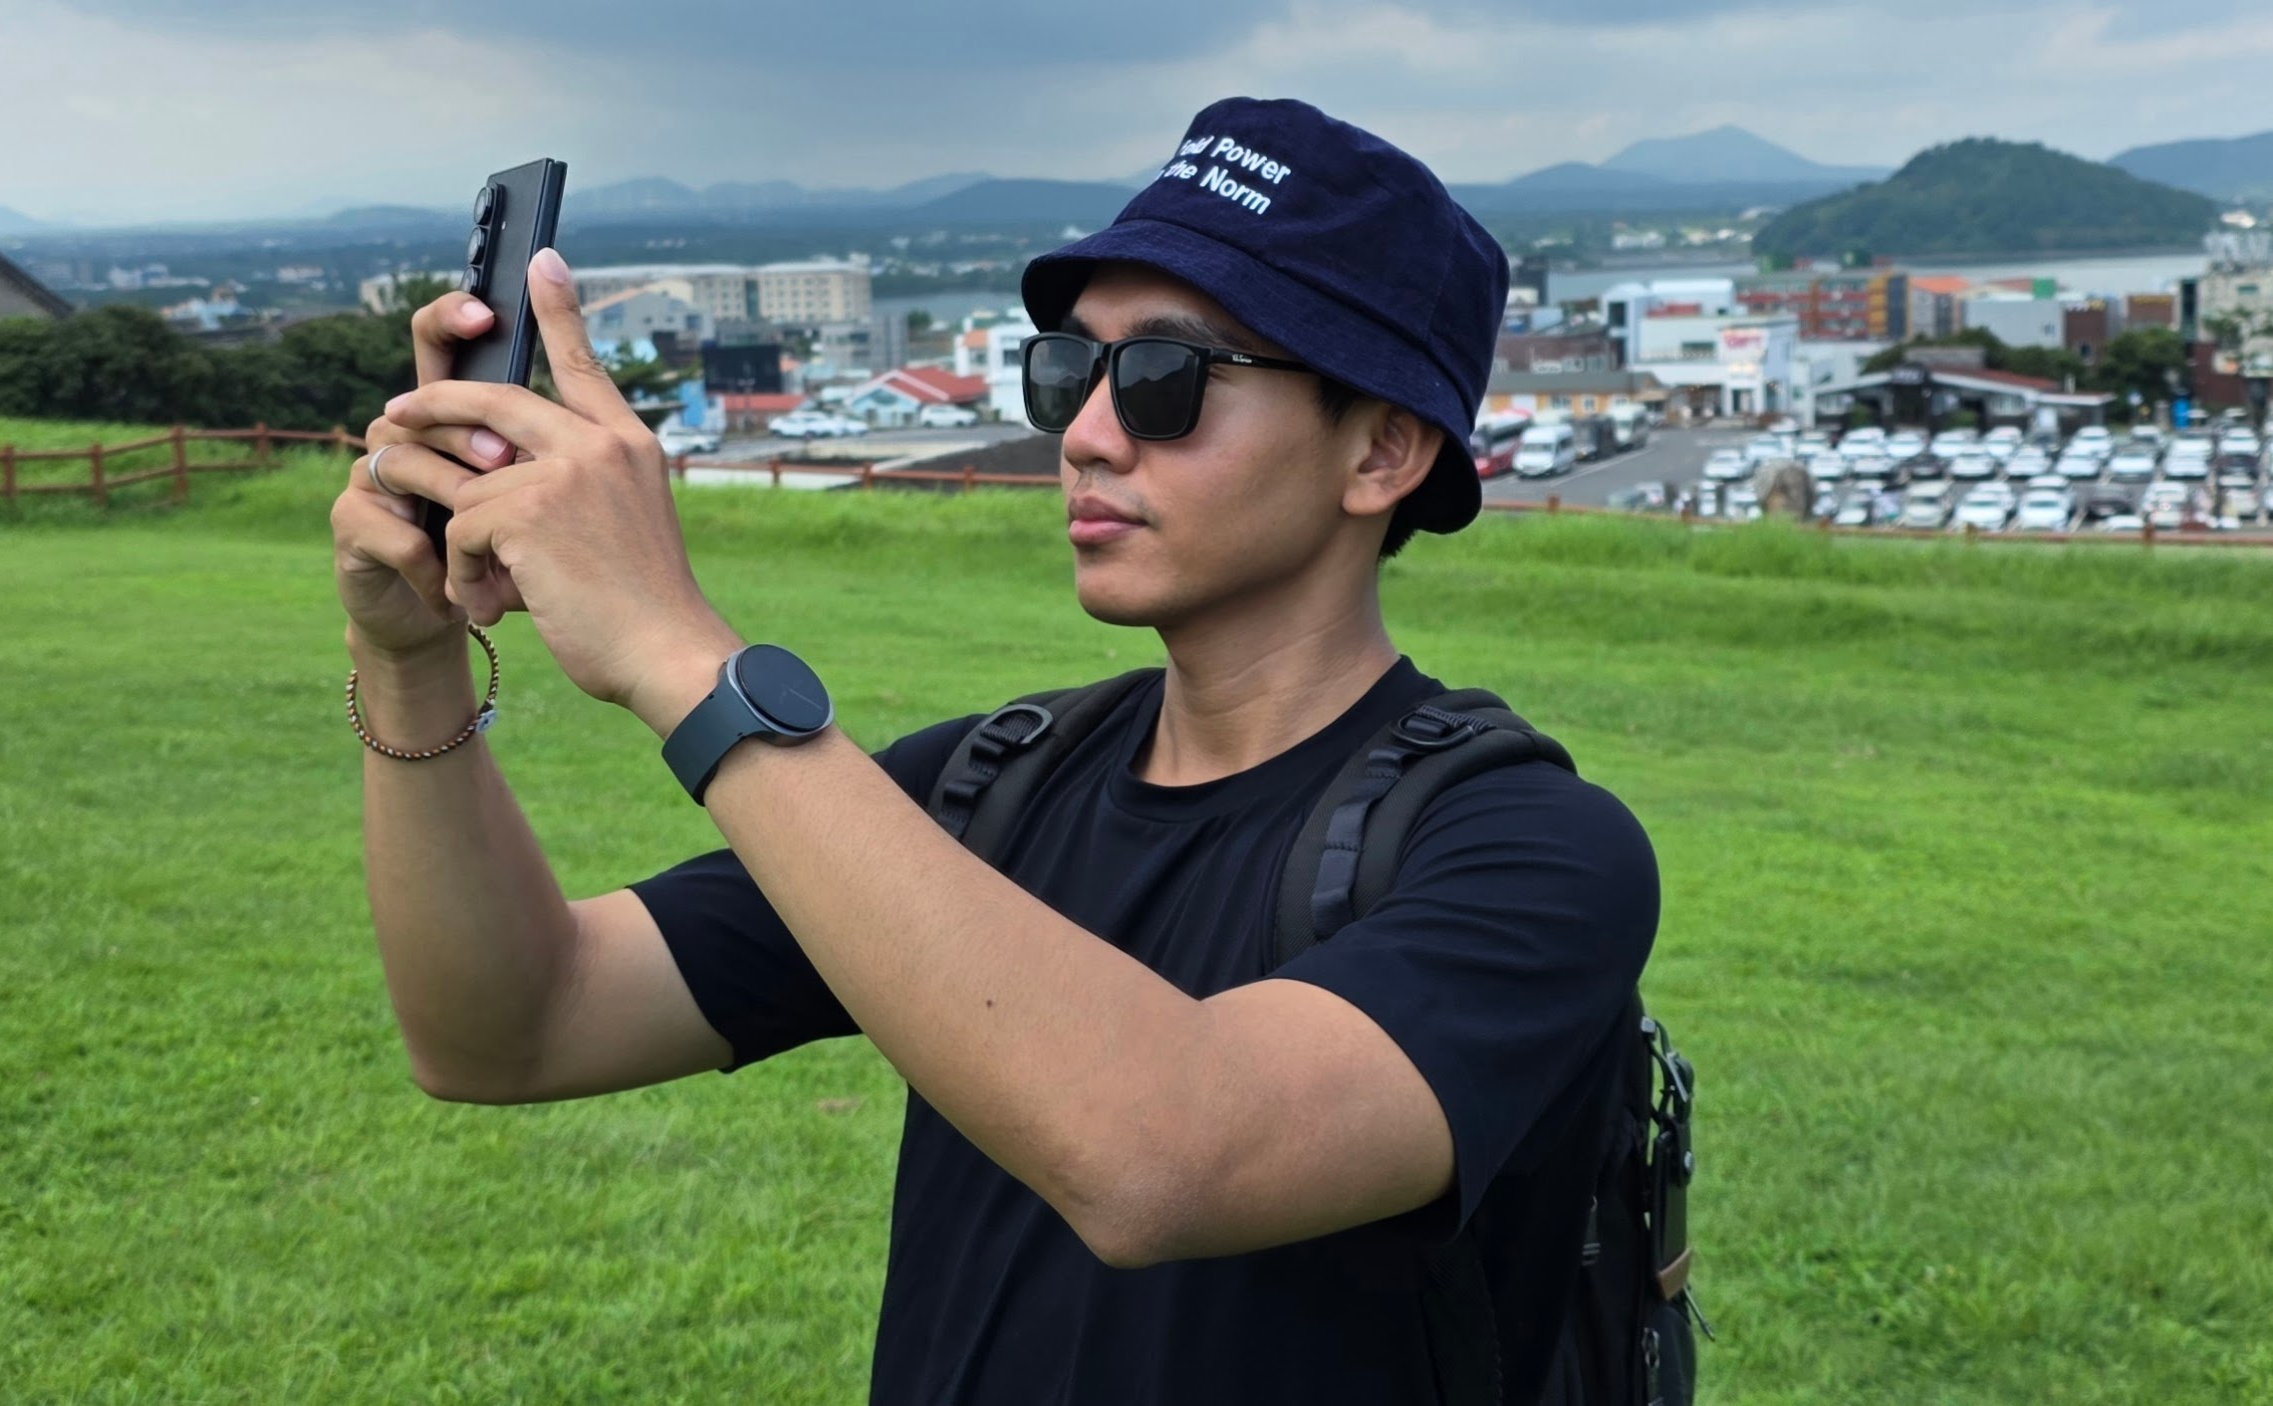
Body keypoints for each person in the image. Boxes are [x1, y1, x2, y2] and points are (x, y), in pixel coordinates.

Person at [330, 97, 1658, 1405]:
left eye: (1166, 378)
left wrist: (680, 654)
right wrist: (408, 659)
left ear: (1381, 452)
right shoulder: (992, 785)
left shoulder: (1533, 852)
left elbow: (1168, 1155)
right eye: (1071, 370)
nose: (1084, 433)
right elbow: (510, 1029)